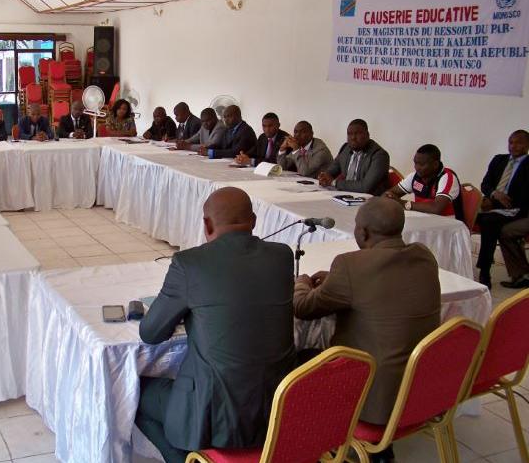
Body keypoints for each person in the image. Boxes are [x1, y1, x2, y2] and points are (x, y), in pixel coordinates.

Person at [136, 187, 296, 463]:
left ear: (207, 225)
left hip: (212, 412)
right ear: (254, 221)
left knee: (134, 394)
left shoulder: (189, 263)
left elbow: (150, 333)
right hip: (274, 409)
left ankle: (186, 456)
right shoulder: (282, 256)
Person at [294, 197, 440, 463]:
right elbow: (382, 285)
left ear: (362, 232)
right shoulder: (424, 256)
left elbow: (303, 308)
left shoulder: (349, 265)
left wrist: (301, 282)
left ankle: (316, 442)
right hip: (422, 389)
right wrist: (336, 282)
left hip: (373, 398)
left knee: (296, 362)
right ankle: (380, 451)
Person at [476, 130, 529, 289]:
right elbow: (485, 184)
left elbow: (525, 195)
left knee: (488, 222)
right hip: (493, 206)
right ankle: (517, 275)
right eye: (511, 142)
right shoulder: (498, 160)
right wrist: (494, 194)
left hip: (516, 209)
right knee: (481, 220)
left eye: (518, 143)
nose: (513, 146)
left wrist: (498, 202)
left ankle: (485, 271)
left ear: (527, 145)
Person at [383, 144, 464, 219]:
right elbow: (390, 193)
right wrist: (388, 197)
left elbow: (436, 208)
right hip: (423, 220)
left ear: (435, 164)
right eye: (415, 163)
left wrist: (404, 203)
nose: (417, 167)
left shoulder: (447, 177)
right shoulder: (414, 176)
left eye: (421, 164)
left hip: (448, 223)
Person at [318, 119, 390, 195]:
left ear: (367, 135)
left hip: (369, 198)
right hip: (345, 195)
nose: (353, 137)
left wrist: (334, 182)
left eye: (357, 133)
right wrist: (324, 177)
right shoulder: (346, 148)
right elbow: (332, 170)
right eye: (349, 134)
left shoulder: (379, 155)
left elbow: (365, 187)